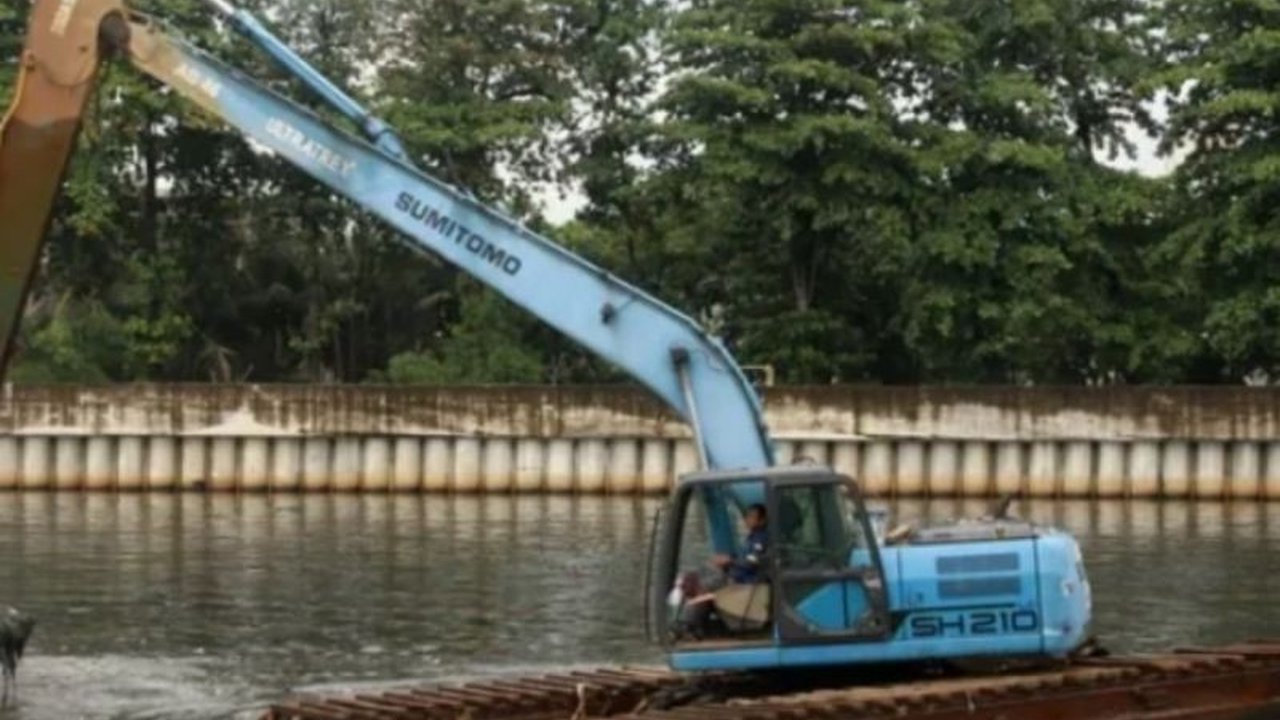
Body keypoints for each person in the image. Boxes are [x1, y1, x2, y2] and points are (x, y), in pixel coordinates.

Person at [712, 503, 768, 584]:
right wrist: (727, 559)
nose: (747, 519)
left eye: (752, 516)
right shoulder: (751, 537)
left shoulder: (760, 539)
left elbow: (753, 560)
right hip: (740, 580)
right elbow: (745, 557)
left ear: (762, 521)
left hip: (750, 584)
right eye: (747, 516)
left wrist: (730, 560)